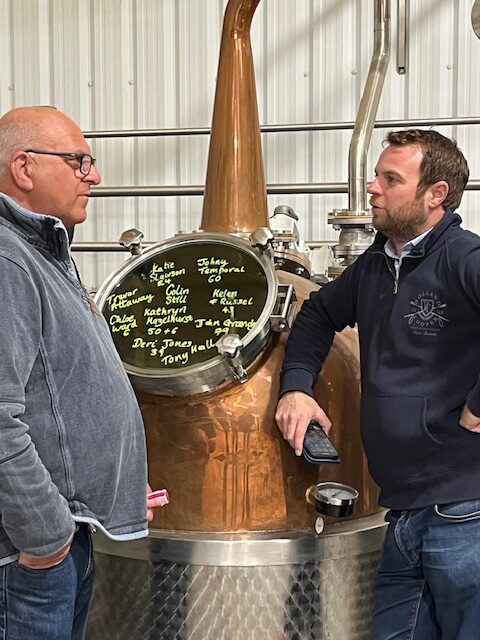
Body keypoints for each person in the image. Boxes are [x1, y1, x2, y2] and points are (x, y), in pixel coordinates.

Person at [275, 129, 480, 639]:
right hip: (402, 512)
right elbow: (318, 314)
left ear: (436, 194)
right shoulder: (374, 266)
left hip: (464, 512)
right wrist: (296, 386)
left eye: (391, 179)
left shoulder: (463, 258)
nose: (372, 188)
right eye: (377, 176)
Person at [0, 106, 166, 640]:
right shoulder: (8, 260)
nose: (93, 175)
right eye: (78, 161)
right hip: (29, 555)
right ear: (24, 169)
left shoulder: (42, 251)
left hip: (63, 536)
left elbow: (58, 394)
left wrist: (110, 483)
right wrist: (45, 537)